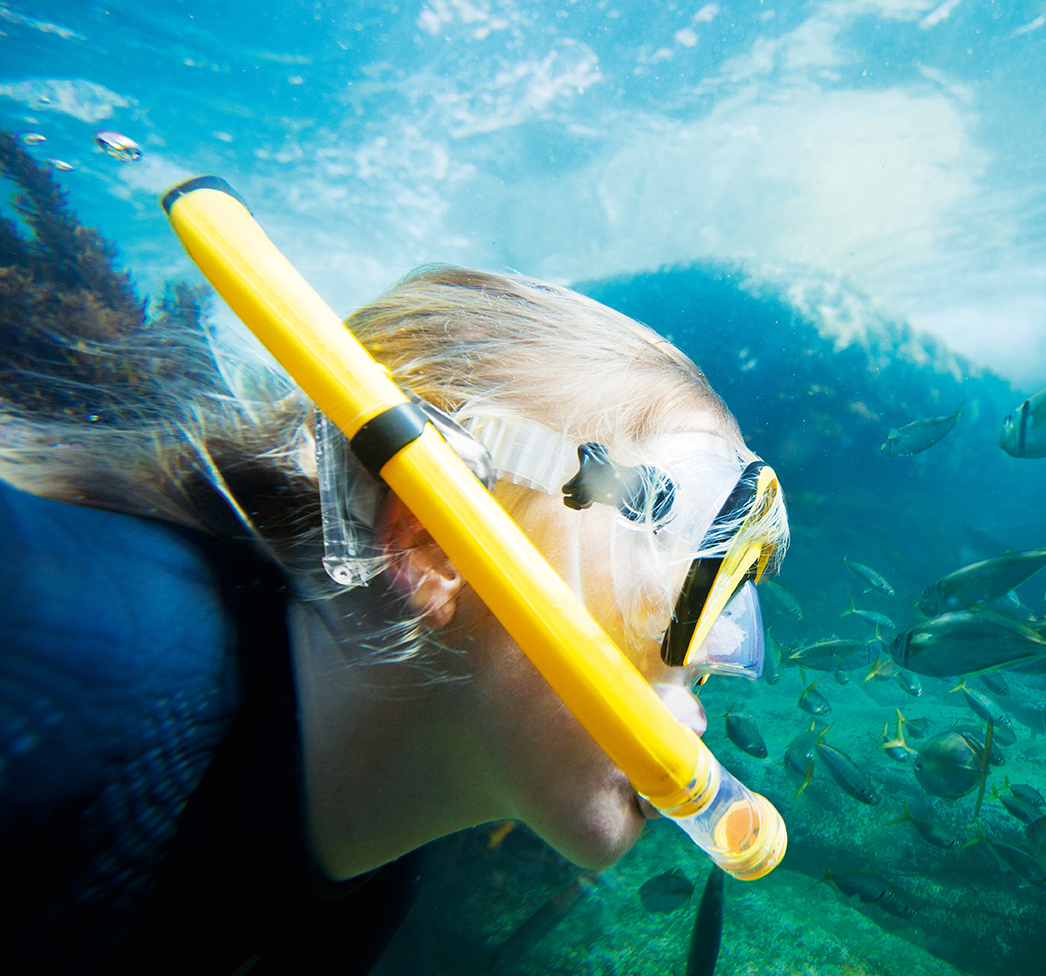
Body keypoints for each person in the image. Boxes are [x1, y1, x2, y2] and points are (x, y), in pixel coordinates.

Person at [0, 259, 788, 973]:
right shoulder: (66, 633)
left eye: (730, 600)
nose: (717, 655)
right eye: (677, 572)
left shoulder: (362, 890)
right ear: (431, 541)